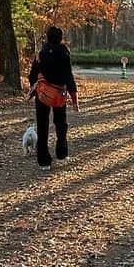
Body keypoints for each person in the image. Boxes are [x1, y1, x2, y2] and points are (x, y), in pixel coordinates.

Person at [27, 25, 79, 170]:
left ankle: (44, 162)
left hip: (42, 94)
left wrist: (33, 86)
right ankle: (62, 154)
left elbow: (32, 75)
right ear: (60, 37)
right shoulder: (64, 52)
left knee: (42, 126)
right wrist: (74, 99)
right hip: (59, 94)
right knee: (61, 124)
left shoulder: (41, 53)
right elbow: (68, 76)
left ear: (47, 37)